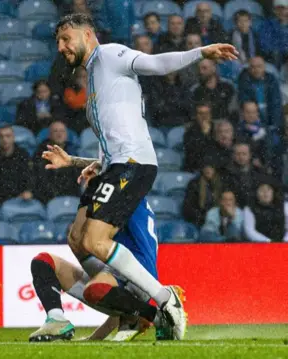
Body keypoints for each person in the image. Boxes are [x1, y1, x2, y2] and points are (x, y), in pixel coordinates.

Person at [45, 13, 236, 340]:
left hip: (133, 163)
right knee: (77, 238)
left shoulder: (110, 55)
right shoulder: (94, 81)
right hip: (115, 164)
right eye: (58, 42)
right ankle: (129, 306)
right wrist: (80, 161)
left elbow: (157, 64)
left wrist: (200, 52)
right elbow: (115, 132)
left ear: (87, 34)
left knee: (94, 240)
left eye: (66, 39)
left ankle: (163, 299)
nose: (61, 47)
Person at [29, 198, 173, 342]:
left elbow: (95, 238)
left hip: (137, 272)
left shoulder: (125, 194)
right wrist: (95, 338)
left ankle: (154, 316)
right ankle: (56, 319)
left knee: (95, 283)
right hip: (117, 269)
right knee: (44, 262)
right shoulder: (123, 193)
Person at [0, 125, 34, 204]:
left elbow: (30, 177)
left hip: (21, 199)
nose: (4, 139)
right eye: (1, 136)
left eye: (8, 136)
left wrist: (28, 191)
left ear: (13, 137)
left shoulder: (23, 155)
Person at [33, 121, 80, 204]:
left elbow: (76, 177)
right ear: (49, 135)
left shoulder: (73, 152)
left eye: (62, 131)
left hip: (71, 196)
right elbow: (41, 179)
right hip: (48, 197)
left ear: (66, 135)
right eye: (55, 131)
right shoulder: (41, 153)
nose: (59, 134)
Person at [182, 157, 223, 228]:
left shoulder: (221, 183)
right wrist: (204, 218)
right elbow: (188, 207)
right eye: (205, 167)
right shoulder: (194, 184)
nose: (208, 169)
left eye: (211, 167)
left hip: (219, 220)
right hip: (199, 221)